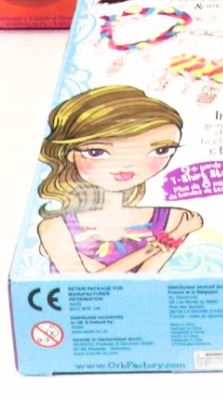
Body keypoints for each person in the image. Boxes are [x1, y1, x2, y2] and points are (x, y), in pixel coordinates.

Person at [36, 86, 201, 275]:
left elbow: (144, 279)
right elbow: (88, 287)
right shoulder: (54, 227)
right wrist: (173, 236)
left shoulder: (175, 218)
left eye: (160, 150)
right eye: (96, 152)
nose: (128, 164)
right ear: (71, 155)